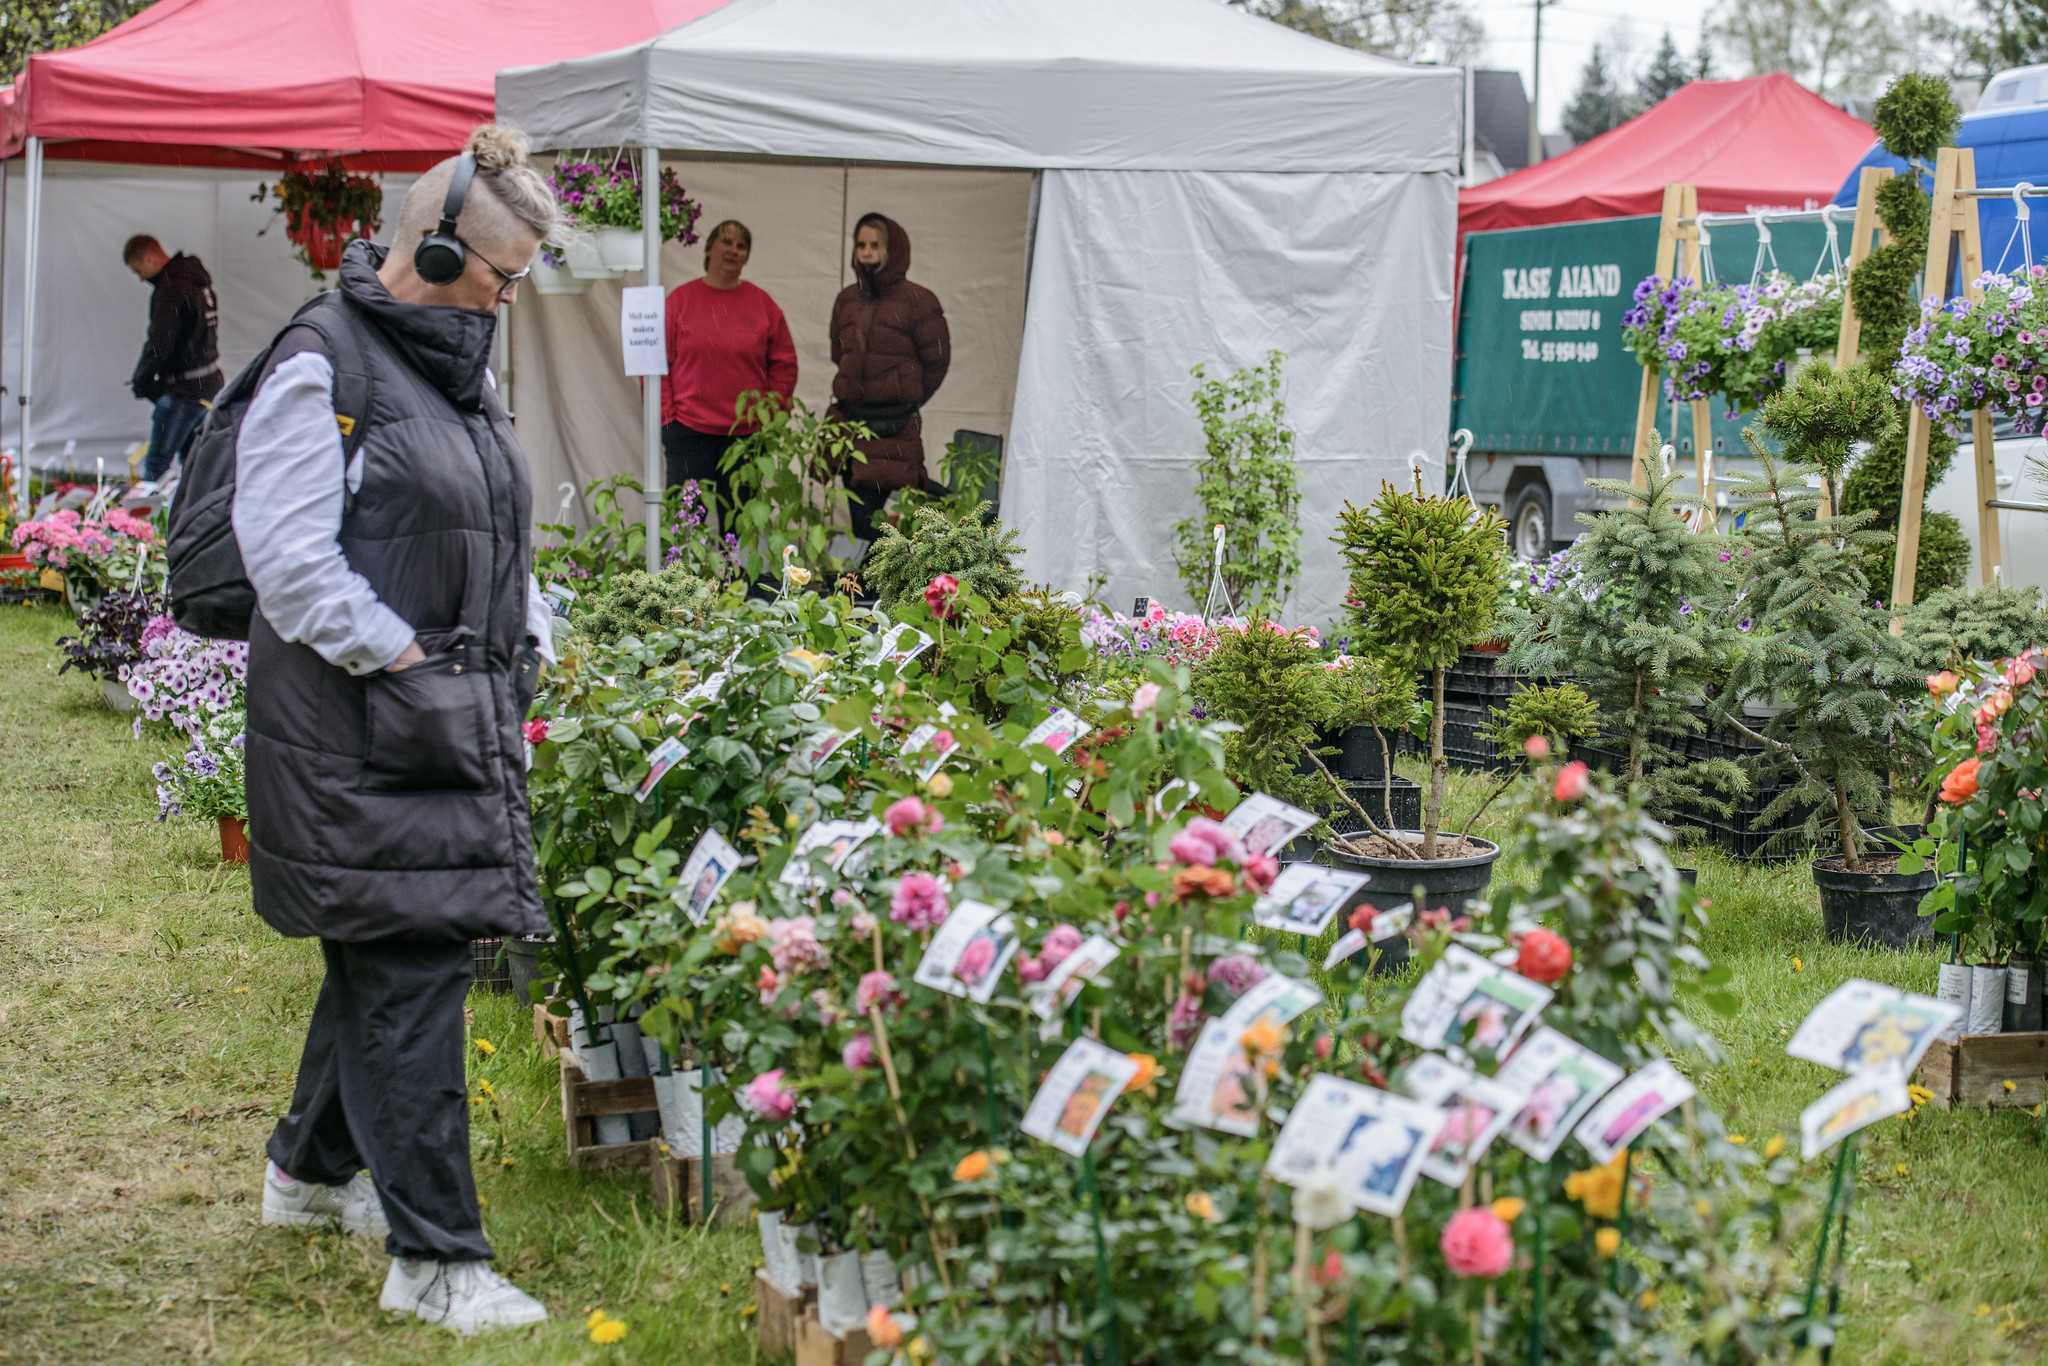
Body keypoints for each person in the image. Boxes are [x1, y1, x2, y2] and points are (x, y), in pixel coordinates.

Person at [232, 125, 560, 1336]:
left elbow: (480, 525)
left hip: (432, 712)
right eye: (502, 276)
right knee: (412, 963)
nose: (509, 300)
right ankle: (436, 1260)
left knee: (383, 944)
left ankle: (309, 1175)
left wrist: (530, 621)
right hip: (360, 727)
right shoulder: (326, 365)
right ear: (433, 249)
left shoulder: (450, 368)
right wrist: (408, 654)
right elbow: (287, 561)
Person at [660, 219, 798, 523]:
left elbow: (784, 364)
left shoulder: (763, 305)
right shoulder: (679, 302)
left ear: (747, 256)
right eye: (726, 242)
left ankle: (735, 574)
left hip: (746, 437)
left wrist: (770, 417)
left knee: (739, 526)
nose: (733, 250)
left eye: (741, 245)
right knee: (684, 526)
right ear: (709, 249)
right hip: (687, 431)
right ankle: (679, 573)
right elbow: (658, 365)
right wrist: (667, 418)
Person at [827, 213, 950, 544]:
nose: (867, 252)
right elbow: (839, 353)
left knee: (894, 521)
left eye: (875, 245)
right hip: (853, 425)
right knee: (862, 521)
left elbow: (936, 362)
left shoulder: (919, 302)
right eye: (861, 245)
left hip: (895, 426)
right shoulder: (847, 300)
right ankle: (869, 589)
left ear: (893, 249)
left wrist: (904, 394)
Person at [124, 234, 222, 483]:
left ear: (149, 258)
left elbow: (160, 341)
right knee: (194, 466)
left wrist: (142, 380)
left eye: (139, 271)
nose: (142, 279)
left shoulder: (171, 288)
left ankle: (147, 523)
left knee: (156, 465)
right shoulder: (196, 279)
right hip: (208, 383)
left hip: (185, 391)